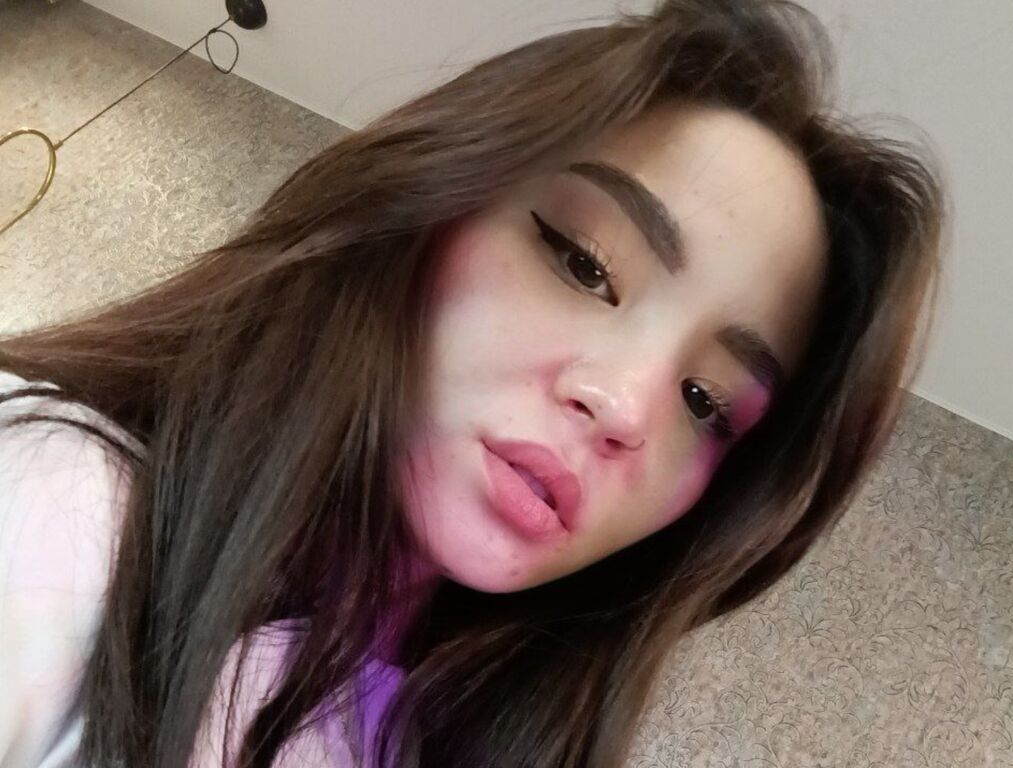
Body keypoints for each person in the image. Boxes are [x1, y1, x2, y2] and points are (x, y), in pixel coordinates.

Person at [0, 0, 946, 766]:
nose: (624, 406)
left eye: (707, 403)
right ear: (424, 211)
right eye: (583, 263)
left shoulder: (435, 730)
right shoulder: (54, 500)